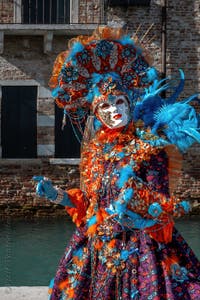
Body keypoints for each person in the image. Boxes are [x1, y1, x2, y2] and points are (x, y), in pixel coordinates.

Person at [33, 26, 200, 299]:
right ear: (96, 113)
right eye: (105, 107)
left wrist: (133, 199)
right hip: (98, 247)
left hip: (142, 247)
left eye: (118, 102)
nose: (114, 111)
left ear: (129, 101)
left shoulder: (148, 147)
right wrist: (58, 196)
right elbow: (90, 204)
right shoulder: (95, 153)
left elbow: (164, 205)